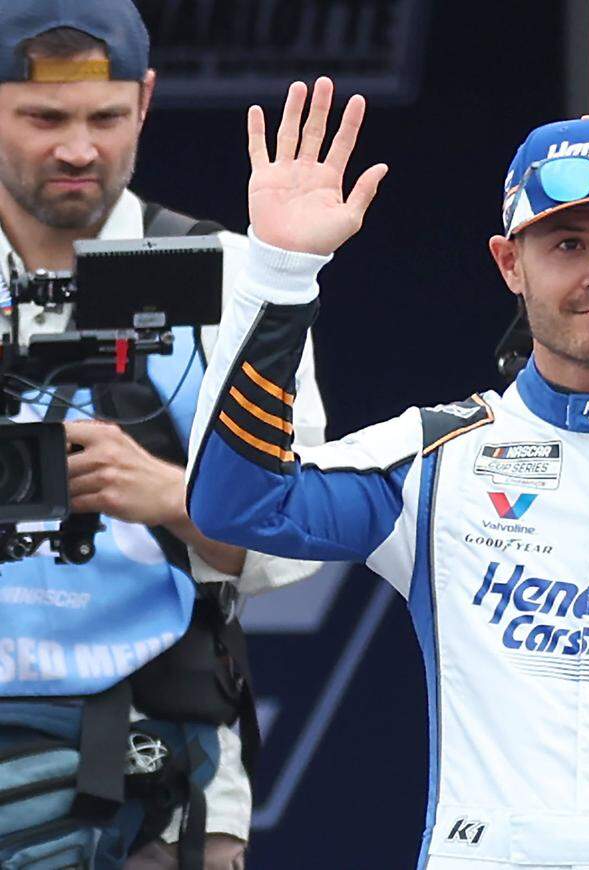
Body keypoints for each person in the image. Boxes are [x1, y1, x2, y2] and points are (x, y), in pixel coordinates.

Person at [185, 76, 589, 869]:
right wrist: (280, 275)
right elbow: (237, 507)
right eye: (568, 244)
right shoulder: (436, 459)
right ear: (510, 263)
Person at [0, 1, 326, 867]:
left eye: (106, 117)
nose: (78, 148)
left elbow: (301, 541)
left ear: (145, 101)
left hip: (157, 767)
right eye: (43, 117)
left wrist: (174, 495)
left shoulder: (226, 276)